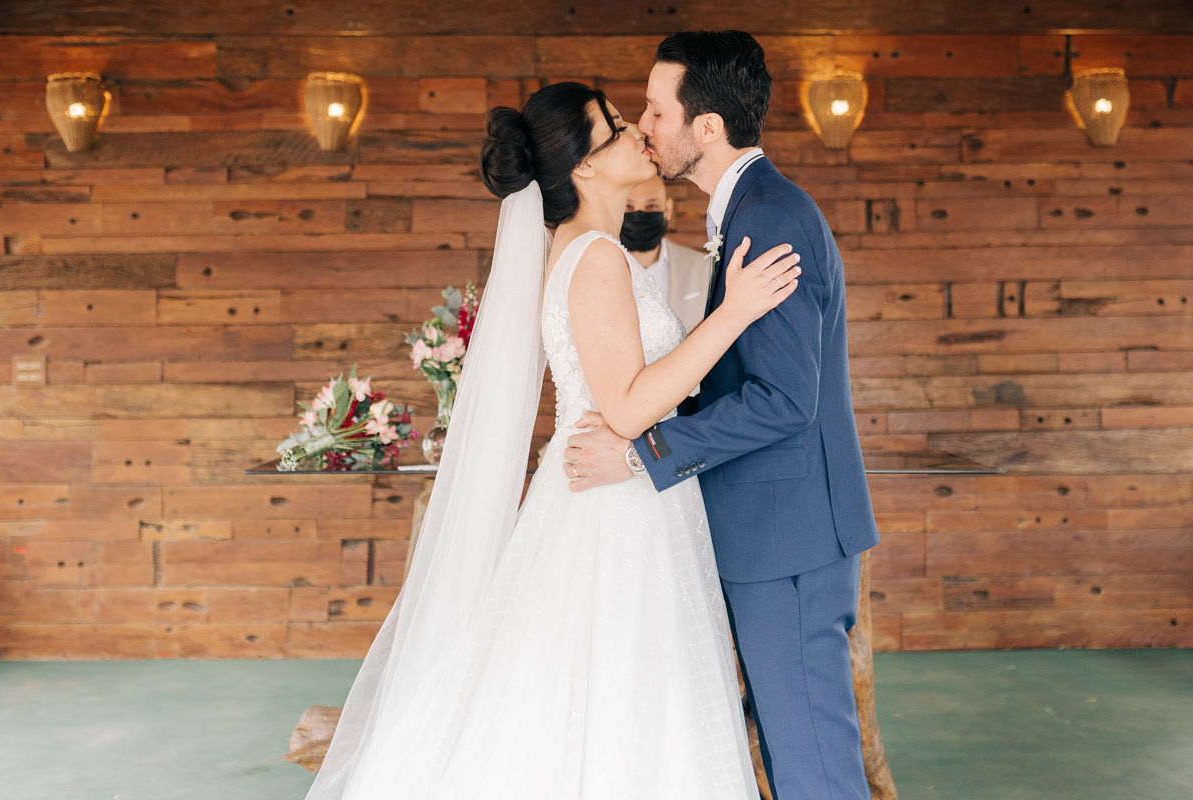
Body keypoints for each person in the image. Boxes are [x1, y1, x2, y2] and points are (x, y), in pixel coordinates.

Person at [303, 80, 800, 800]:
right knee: (624, 696)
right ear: (585, 165)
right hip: (617, 509)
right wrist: (735, 313)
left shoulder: (587, 249)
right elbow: (626, 406)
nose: (639, 133)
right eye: (617, 127)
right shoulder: (594, 255)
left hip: (619, 489)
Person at [564, 31, 882, 800]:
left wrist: (640, 452)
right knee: (790, 759)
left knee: (814, 771)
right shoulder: (746, 210)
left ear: (706, 128)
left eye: (656, 110)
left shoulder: (770, 217)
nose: (644, 126)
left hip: (788, 538)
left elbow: (784, 398)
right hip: (766, 532)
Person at [620, 175, 712, 332]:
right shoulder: (596, 268)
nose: (639, 215)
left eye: (651, 206)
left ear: (667, 209)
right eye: (628, 207)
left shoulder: (704, 267)